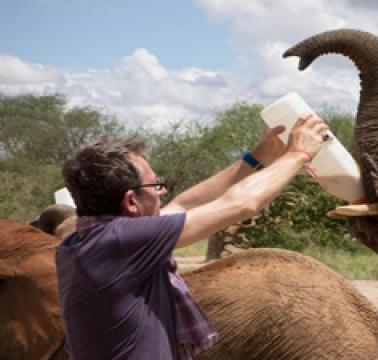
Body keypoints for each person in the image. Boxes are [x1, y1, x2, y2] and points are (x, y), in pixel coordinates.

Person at [55, 114, 329, 359]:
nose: (162, 192)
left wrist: (258, 157)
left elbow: (186, 204)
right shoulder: (123, 241)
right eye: (156, 185)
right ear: (131, 202)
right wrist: (298, 154)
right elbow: (241, 203)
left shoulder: (87, 241)